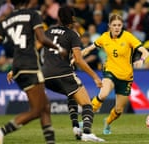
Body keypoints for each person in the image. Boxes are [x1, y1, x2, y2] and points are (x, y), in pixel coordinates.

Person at [0, 0, 66, 144]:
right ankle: (1, 131)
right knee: (37, 110)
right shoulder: (32, 14)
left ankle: (51, 142)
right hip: (30, 65)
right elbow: (42, 38)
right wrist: (59, 49)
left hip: (17, 67)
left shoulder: (5, 21)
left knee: (45, 106)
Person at [41, 6, 104, 142]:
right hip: (63, 73)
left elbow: (34, 51)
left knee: (71, 94)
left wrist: (14, 69)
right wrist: (95, 77)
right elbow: (79, 60)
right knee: (87, 104)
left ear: (58, 18)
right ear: (72, 18)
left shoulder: (47, 31)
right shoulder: (72, 34)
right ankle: (87, 132)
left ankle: (76, 127)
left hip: (45, 75)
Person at [81, 13, 149, 135]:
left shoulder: (128, 37)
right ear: (109, 26)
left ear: (122, 25)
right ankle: (87, 119)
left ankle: (107, 122)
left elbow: (145, 51)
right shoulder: (104, 37)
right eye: (114, 25)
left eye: (119, 25)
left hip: (126, 77)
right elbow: (89, 49)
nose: (117, 27)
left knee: (119, 110)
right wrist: (77, 56)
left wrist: (141, 60)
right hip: (110, 71)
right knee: (103, 94)